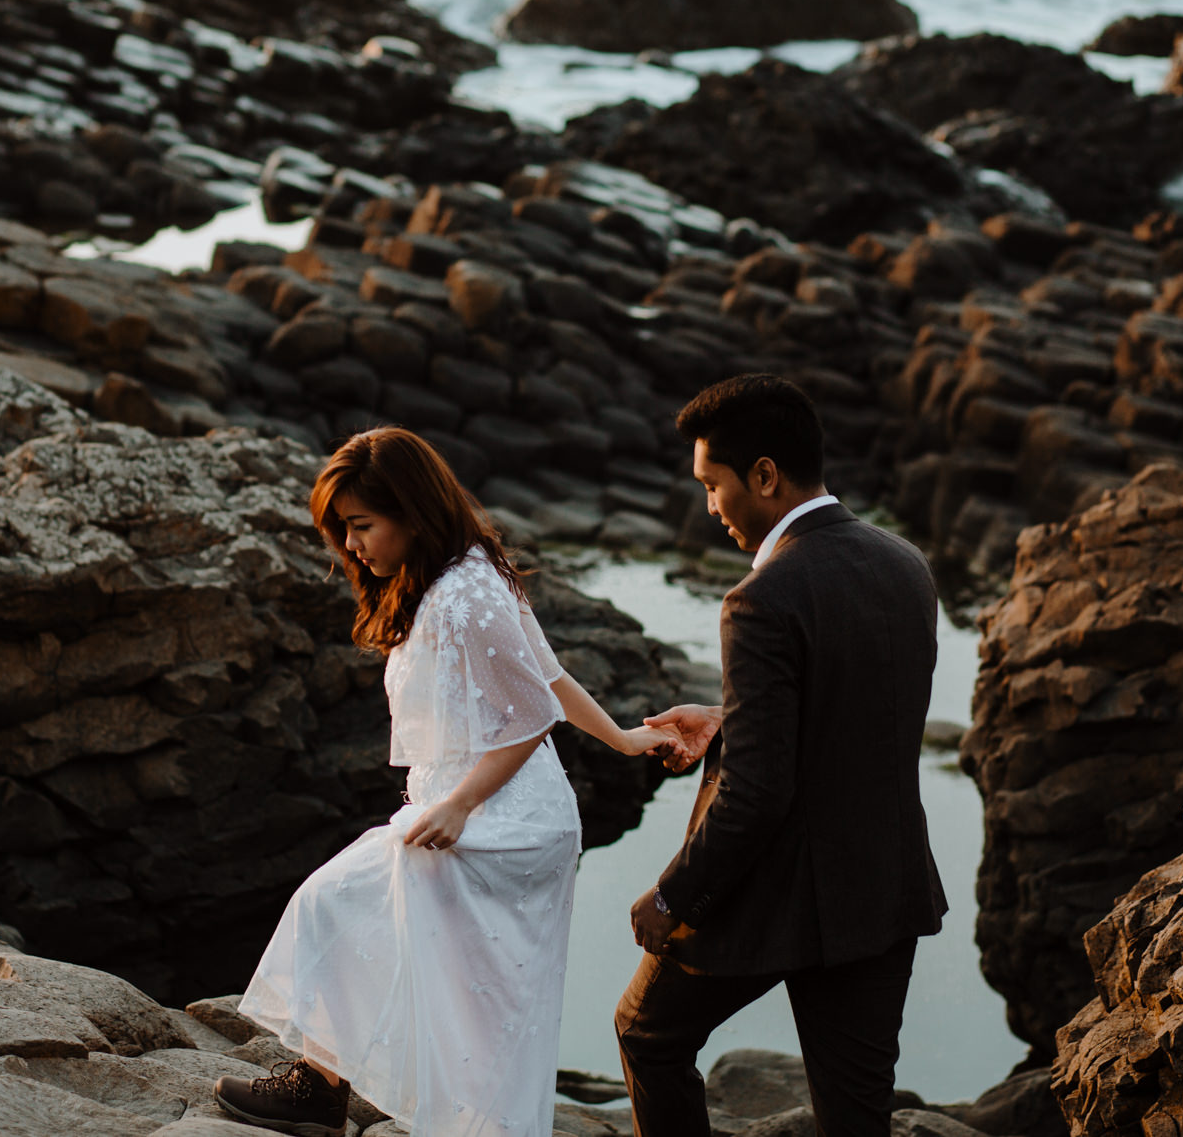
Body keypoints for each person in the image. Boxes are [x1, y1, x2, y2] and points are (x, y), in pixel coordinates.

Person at [219, 426, 682, 1137]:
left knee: (344, 909)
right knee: (383, 936)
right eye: (343, 530)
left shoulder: (468, 591)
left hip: (505, 817)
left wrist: (463, 803)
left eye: (361, 525)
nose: (351, 545)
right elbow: (549, 673)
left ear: (411, 511)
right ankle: (325, 1089)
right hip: (484, 802)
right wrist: (622, 739)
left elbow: (531, 709)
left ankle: (329, 1093)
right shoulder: (456, 575)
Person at [621, 374, 948, 1137]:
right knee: (856, 1116)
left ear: (764, 475)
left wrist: (671, 897)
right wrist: (725, 718)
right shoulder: (906, 565)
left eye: (713, 484)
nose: (709, 506)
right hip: (881, 888)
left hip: (773, 893)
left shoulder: (760, 598)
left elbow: (757, 795)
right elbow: (855, 715)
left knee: (647, 1031)